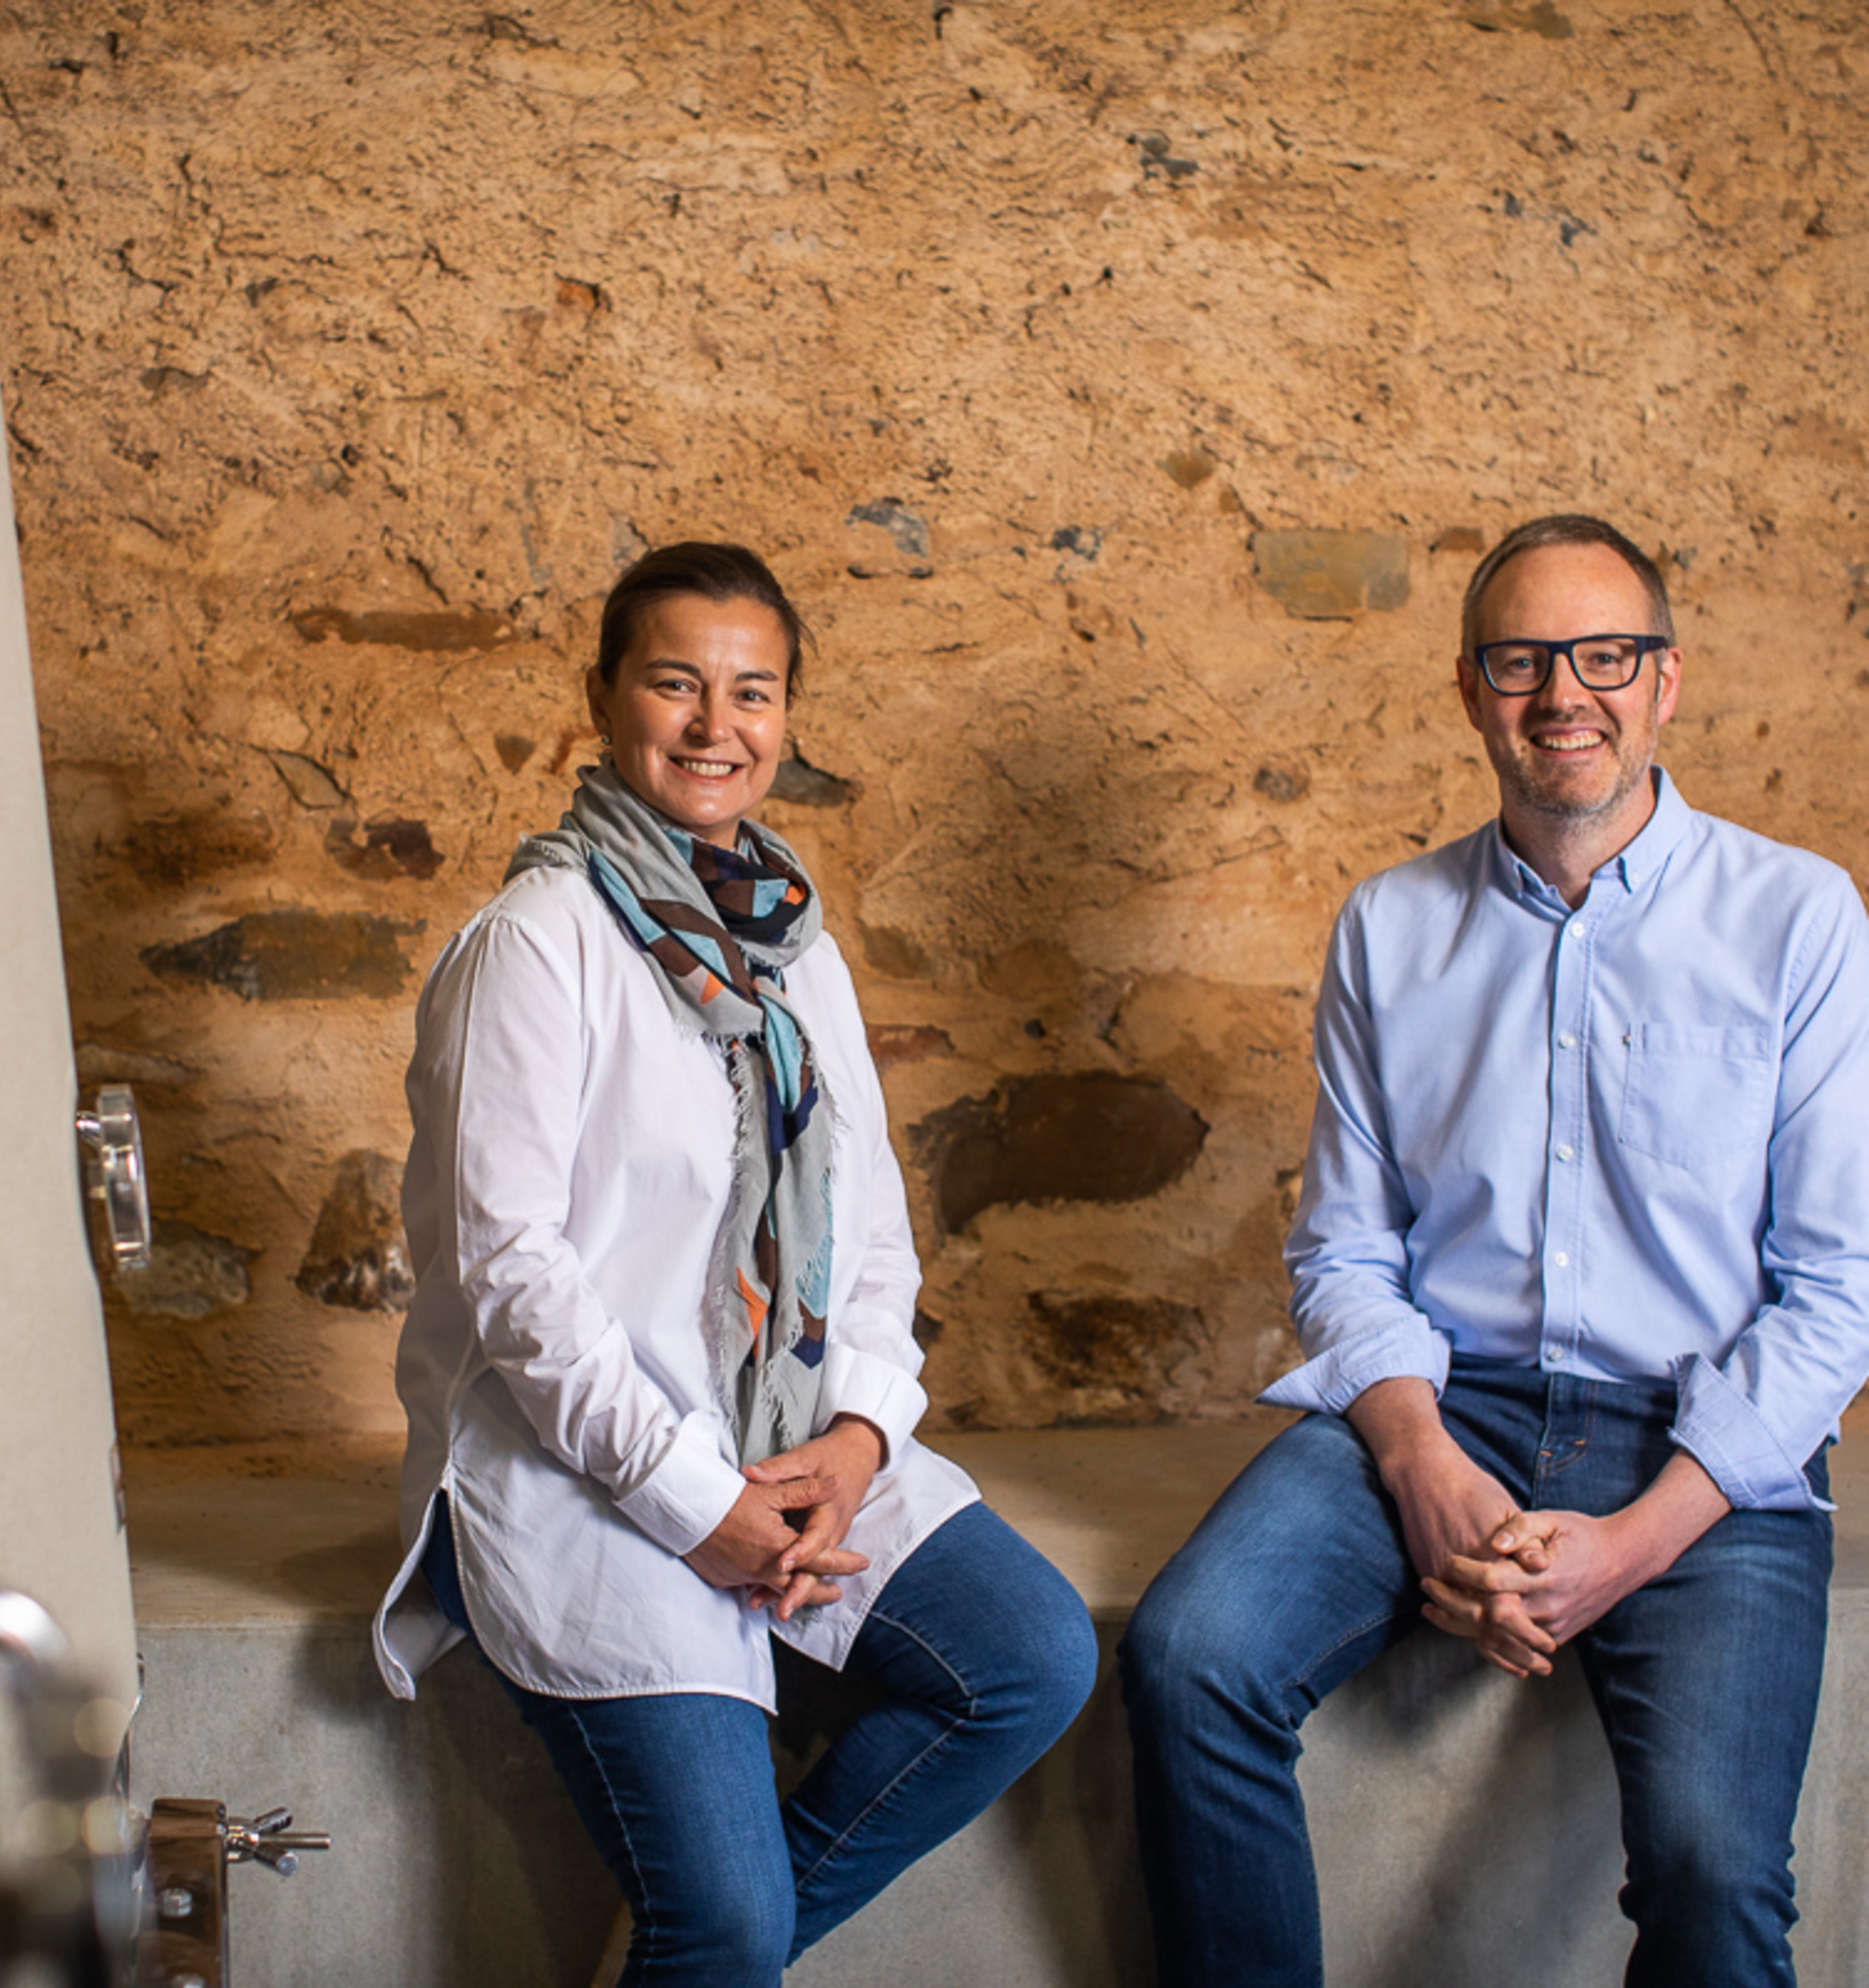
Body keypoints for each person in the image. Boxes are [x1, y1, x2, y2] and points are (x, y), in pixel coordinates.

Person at [1119, 514, 1869, 1987]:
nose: (1563, 695)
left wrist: (1632, 1545)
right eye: (1521, 661)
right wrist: (1419, 1462)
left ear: (1666, 682)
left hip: (1703, 1436)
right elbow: (1347, 1250)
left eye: (1607, 657)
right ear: (1471, 691)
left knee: (1715, 1873)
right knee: (1190, 1658)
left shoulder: (1799, 917)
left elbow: (1836, 1293)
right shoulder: (1390, 926)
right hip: (1448, 1402)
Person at [372, 541, 1095, 1987]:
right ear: (602, 700)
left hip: (788, 1437)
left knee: (1029, 1657)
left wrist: (859, 1436)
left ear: (786, 715)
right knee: (727, 1920)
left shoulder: (797, 944)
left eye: (753, 692)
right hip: (581, 1464)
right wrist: (696, 1503)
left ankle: (699, 1959)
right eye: (676, 685)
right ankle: (715, 1948)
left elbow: (872, 1227)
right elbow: (512, 1274)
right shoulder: (537, 942)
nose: (718, 726)